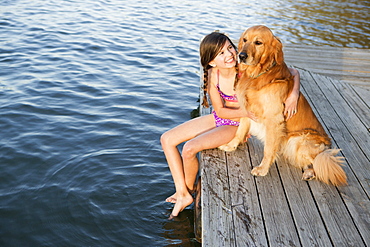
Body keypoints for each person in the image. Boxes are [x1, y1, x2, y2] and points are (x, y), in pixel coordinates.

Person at [160, 31, 300, 218]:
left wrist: (294, 95)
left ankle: (188, 190)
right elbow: (219, 111)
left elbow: (293, 72)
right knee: (166, 138)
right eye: (222, 54)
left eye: (230, 48)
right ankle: (183, 192)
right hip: (223, 117)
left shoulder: (245, 67)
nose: (230, 55)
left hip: (236, 126)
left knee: (189, 149)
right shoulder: (213, 75)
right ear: (211, 62)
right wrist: (246, 112)